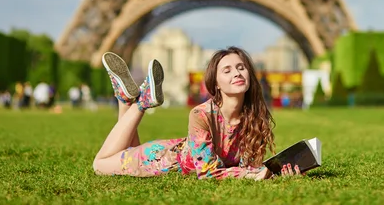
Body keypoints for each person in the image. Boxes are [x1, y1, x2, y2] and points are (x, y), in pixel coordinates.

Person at [92, 47, 304, 180]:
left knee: (127, 149)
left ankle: (124, 98)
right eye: (227, 70)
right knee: (99, 165)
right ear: (216, 84)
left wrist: (277, 172)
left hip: (172, 151)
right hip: (159, 160)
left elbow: (251, 167)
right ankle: (141, 104)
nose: (237, 72)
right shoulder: (201, 114)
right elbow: (207, 172)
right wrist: (251, 175)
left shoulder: (255, 117)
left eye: (241, 67)